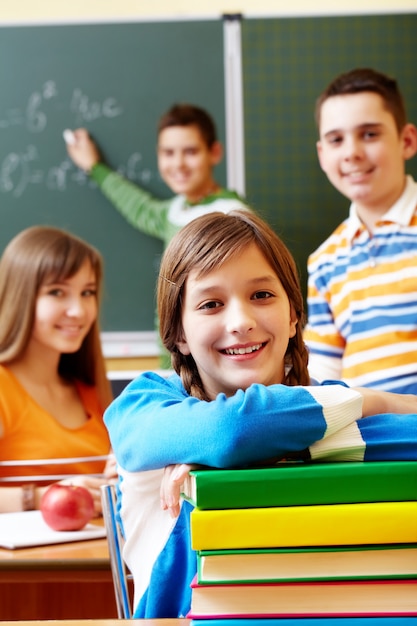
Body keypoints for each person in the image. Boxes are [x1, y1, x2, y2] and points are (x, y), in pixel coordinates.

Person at [104, 210, 417, 619]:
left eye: (262, 296)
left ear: (292, 315)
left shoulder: (326, 403)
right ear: (179, 332)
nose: (241, 322)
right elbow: (233, 430)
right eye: (211, 304)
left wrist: (233, 456)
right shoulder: (146, 405)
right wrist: (377, 401)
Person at [65, 103, 249, 366]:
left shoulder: (228, 217)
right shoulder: (176, 212)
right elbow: (140, 207)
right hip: (177, 360)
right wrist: (95, 167)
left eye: (191, 152)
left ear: (214, 153)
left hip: (210, 365)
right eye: (168, 153)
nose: (178, 164)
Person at [303, 67, 417, 393]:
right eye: (336, 139)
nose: (351, 152)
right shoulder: (325, 260)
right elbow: (325, 363)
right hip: (367, 432)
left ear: (406, 141)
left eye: (369, 134)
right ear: (323, 156)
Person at [0, 225, 115, 514]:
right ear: (20, 297)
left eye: (87, 292)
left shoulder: (89, 388)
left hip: (98, 553)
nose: (78, 311)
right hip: (24, 559)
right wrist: (43, 497)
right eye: (57, 292)